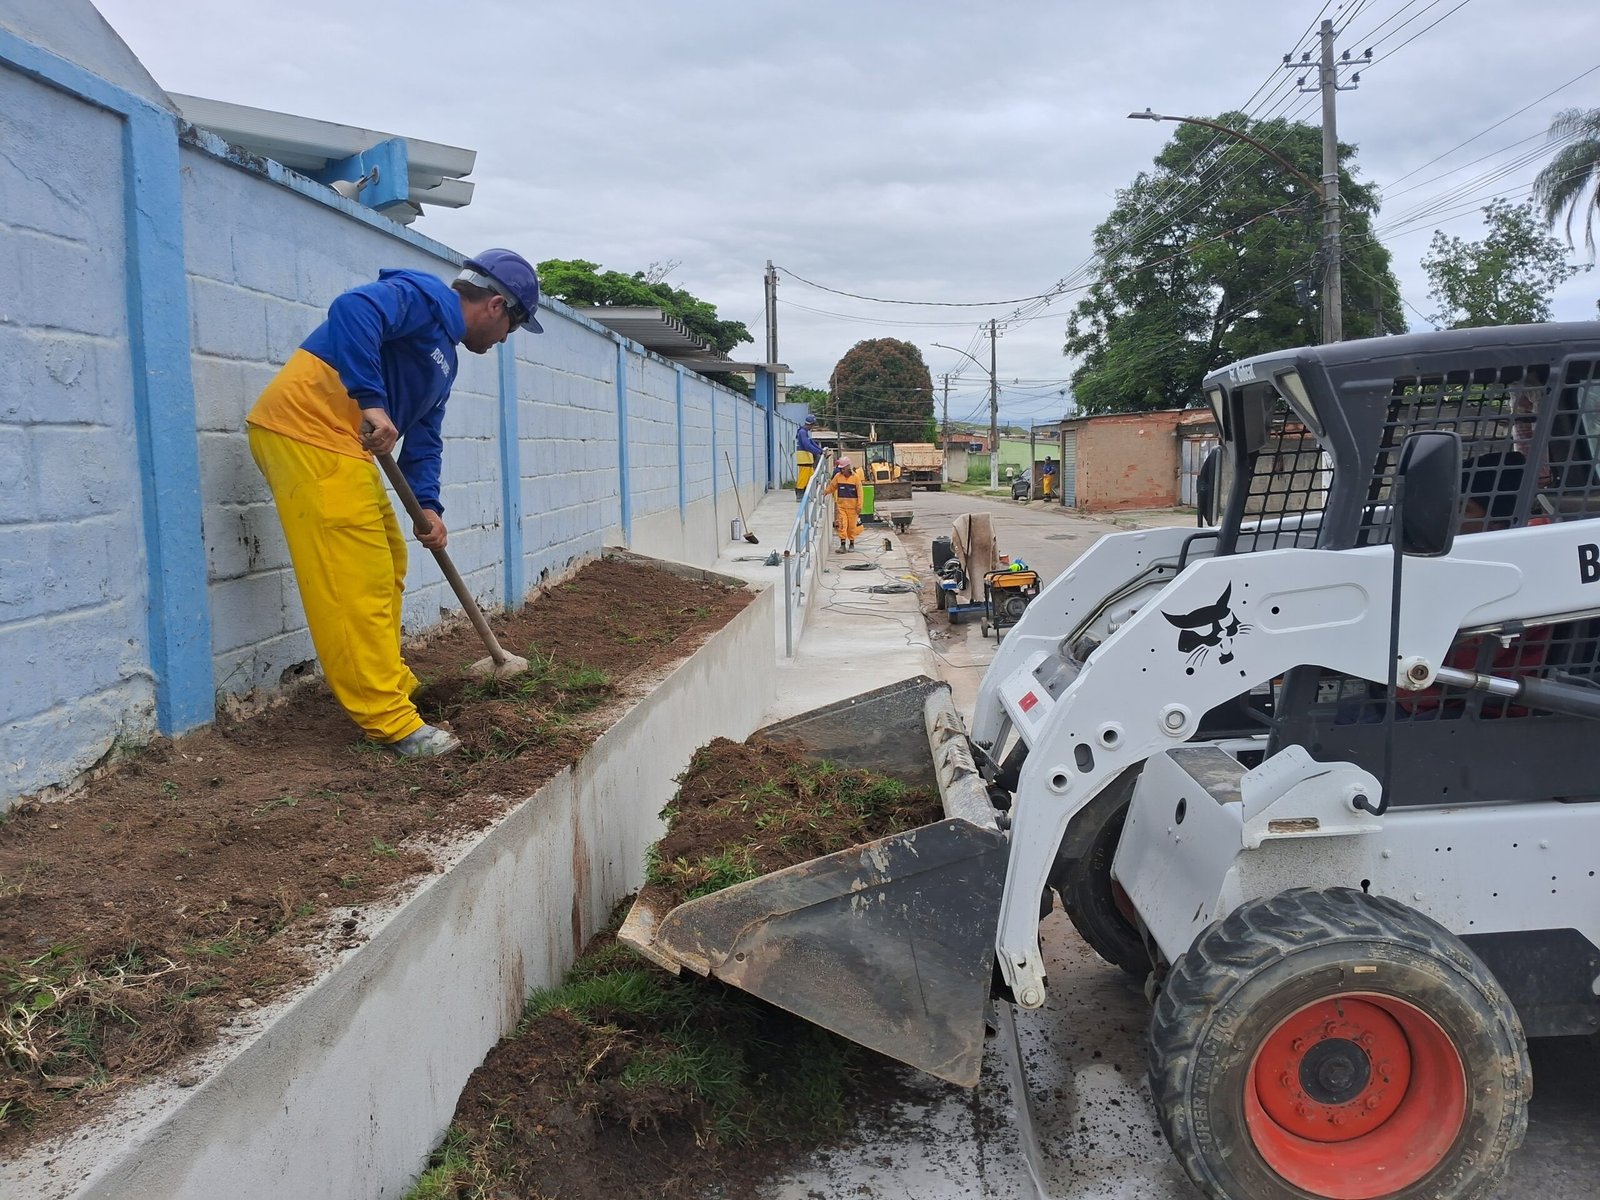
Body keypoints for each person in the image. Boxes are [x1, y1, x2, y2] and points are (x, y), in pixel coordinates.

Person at [246, 249, 544, 757]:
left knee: (388, 561)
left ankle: (393, 683)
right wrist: (371, 400)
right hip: (306, 428)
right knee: (354, 579)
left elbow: (425, 439)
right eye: (512, 328)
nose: (504, 340)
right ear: (496, 306)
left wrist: (428, 506)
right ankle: (388, 720)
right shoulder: (423, 298)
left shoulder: (445, 361)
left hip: (341, 445)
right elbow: (352, 309)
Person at [824, 456, 866, 550]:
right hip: (841, 507)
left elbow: (860, 493)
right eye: (841, 469)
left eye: (843, 468)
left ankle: (851, 543)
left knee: (851, 527)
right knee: (842, 525)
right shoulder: (838, 477)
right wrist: (826, 492)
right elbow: (832, 486)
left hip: (853, 508)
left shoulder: (856, 478)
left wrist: (859, 506)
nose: (842, 470)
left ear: (848, 467)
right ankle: (842, 544)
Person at [796, 415, 826, 497]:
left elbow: (812, 443)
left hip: (808, 458)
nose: (812, 427)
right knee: (803, 477)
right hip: (803, 458)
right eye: (813, 425)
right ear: (810, 424)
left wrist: (821, 450)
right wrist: (818, 452)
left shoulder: (805, 432)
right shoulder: (802, 432)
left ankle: (806, 494)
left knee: (811, 477)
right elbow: (807, 445)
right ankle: (799, 494)